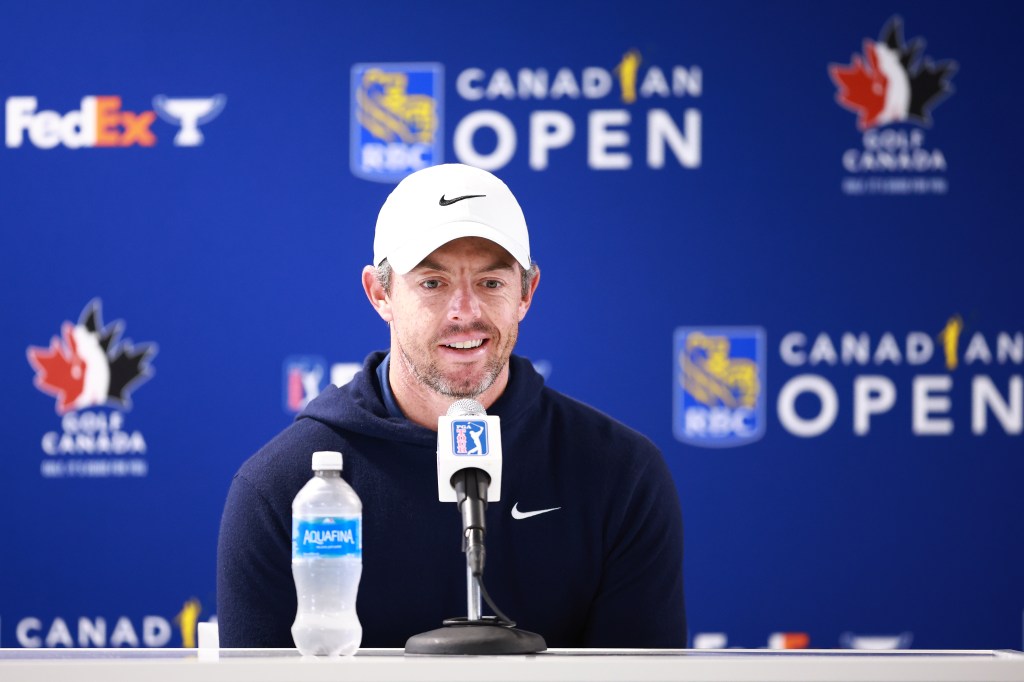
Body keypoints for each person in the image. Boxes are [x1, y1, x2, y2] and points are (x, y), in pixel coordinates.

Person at [216, 163, 686, 648]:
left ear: (526, 293)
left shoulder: (620, 474)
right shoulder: (284, 487)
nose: (466, 312)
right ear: (381, 294)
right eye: (433, 283)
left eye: (491, 283)